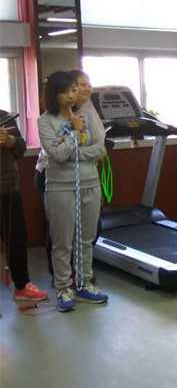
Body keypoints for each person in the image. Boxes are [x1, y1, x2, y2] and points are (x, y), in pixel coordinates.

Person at [38, 71, 108, 312]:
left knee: (86, 239)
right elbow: (57, 155)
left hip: (90, 183)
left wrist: (75, 152)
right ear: (54, 94)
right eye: (66, 91)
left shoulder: (86, 114)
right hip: (60, 187)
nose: (72, 95)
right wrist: (76, 133)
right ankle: (63, 288)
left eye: (74, 90)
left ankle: (84, 283)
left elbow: (100, 148)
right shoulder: (45, 121)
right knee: (63, 242)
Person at [0, 110, 48, 301]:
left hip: (8, 189)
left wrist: (10, 141)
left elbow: (21, 149)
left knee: (17, 238)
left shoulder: (4, 116)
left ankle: (22, 286)